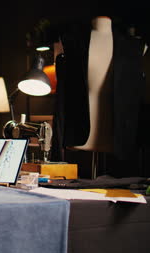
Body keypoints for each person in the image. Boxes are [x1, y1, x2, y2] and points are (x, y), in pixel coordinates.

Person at [53, 14, 147, 177]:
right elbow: (63, 100)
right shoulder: (72, 43)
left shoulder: (134, 47)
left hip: (118, 135)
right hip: (80, 134)